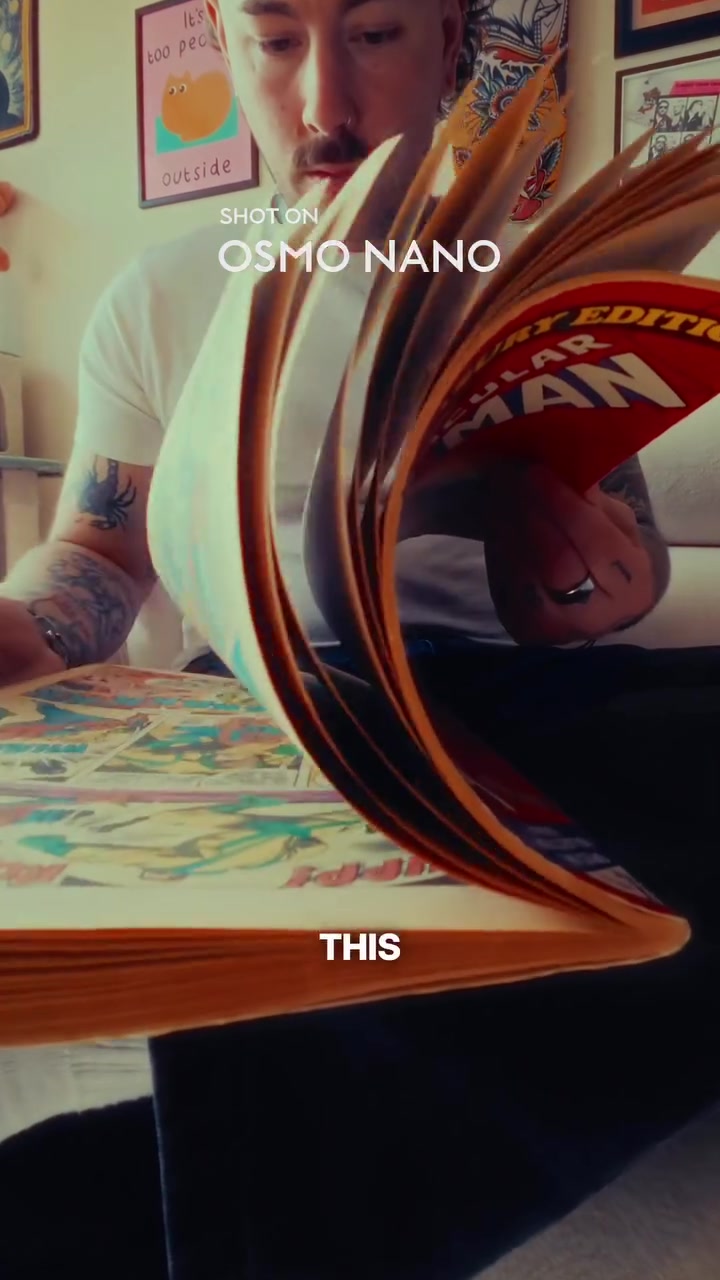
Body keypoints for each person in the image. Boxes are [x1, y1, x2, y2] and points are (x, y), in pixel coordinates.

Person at [2, 3, 720, 1278]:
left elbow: (634, 557)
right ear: (227, 47)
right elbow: (99, 553)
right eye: (275, 41)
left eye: (376, 33)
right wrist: (27, 622)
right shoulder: (162, 297)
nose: (325, 104)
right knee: (309, 897)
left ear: (449, 45)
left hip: (528, 698)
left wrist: (585, 585)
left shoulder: (539, 272)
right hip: (271, 703)